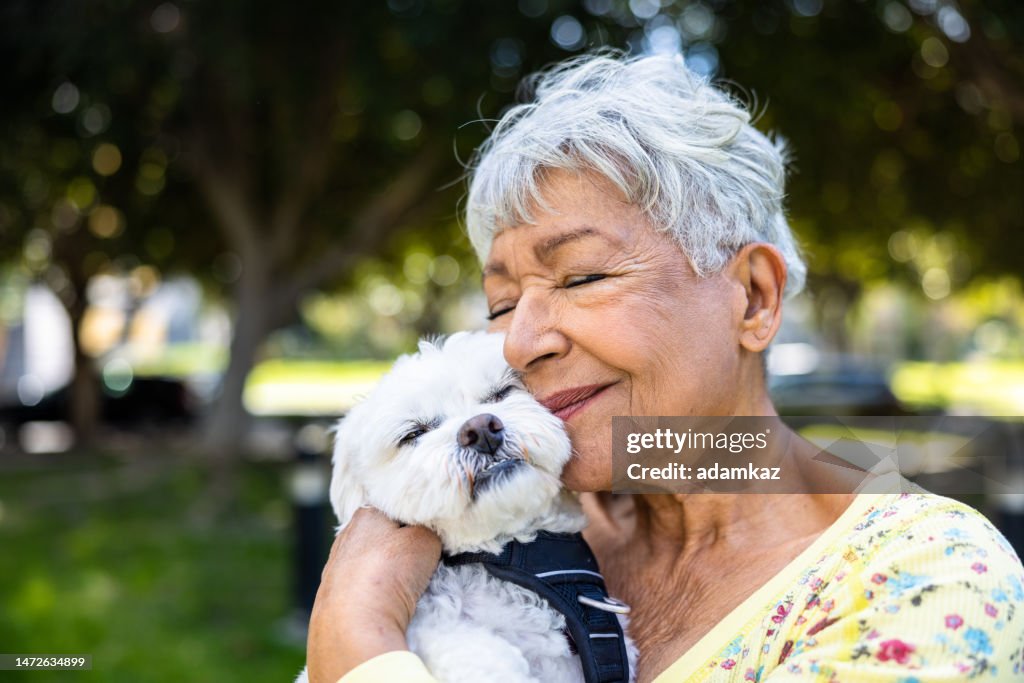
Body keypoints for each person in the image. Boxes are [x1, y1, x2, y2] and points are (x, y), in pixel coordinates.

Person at [305, 54, 1024, 682]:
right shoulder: (530, 520)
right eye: (500, 302)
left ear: (753, 297)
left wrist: (356, 637)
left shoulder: (924, 583)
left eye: (581, 277)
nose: (521, 341)